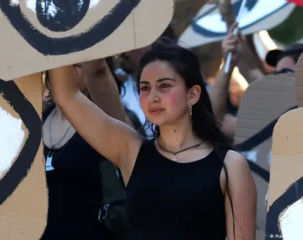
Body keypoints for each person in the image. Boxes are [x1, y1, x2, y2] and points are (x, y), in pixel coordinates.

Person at [48, 38, 257, 239]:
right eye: (145, 88)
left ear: (192, 94)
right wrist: (58, 28)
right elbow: (66, 95)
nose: (153, 97)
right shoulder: (130, 150)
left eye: (164, 85)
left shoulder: (229, 166)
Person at [41, 58, 128, 240]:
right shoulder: (37, 120)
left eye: (78, 65)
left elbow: (99, 71)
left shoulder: (105, 119)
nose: (66, 70)